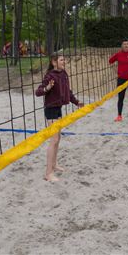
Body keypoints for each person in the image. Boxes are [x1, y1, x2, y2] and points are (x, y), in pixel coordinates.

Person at [36, 53, 84, 182]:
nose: (65, 62)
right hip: (50, 109)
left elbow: (68, 91)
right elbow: (38, 92)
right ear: (54, 62)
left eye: (64, 59)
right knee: (54, 139)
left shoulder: (63, 74)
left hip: (58, 108)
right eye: (62, 60)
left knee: (58, 138)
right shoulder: (50, 76)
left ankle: (54, 164)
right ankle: (48, 173)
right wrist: (48, 87)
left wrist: (76, 102)